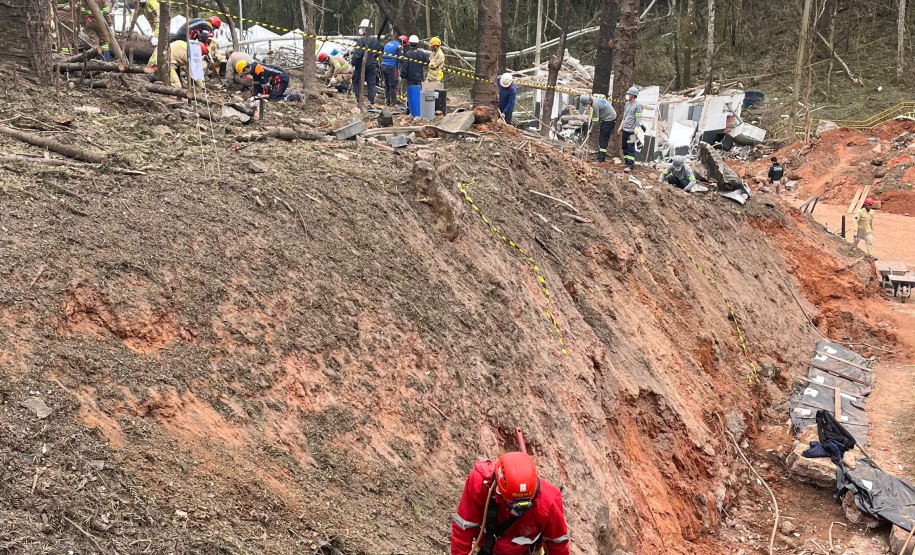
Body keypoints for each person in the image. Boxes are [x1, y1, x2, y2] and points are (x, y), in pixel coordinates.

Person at [451, 452, 570, 555]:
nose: (518, 511)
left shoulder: (549, 501)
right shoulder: (480, 483)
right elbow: (463, 530)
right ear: (498, 490)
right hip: (486, 548)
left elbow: (558, 544)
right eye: (512, 503)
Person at [576, 94, 616, 163]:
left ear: (589, 101)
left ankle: (600, 159)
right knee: (602, 138)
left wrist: (591, 130)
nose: (587, 106)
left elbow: (595, 121)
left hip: (609, 120)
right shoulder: (594, 100)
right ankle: (601, 157)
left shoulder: (595, 105)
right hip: (607, 118)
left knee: (603, 139)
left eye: (587, 104)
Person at [352, 19, 381, 104]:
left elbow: (357, 54)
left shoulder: (362, 40)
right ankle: (371, 101)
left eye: (361, 28)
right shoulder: (376, 40)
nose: (360, 29)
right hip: (372, 65)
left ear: (365, 29)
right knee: (371, 84)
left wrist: (353, 64)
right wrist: (372, 59)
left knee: (355, 81)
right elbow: (378, 52)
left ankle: (358, 99)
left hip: (361, 65)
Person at [621, 86, 643, 173]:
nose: (628, 95)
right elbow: (625, 116)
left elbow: (638, 117)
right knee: (624, 147)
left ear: (633, 96)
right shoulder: (626, 104)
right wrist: (621, 125)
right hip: (625, 129)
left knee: (630, 148)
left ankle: (631, 165)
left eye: (629, 94)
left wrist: (637, 126)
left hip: (632, 131)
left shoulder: (638, 106)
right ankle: (626, 162)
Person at [381, 34, 403, 106]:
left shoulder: (388, 44)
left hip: (384, 65)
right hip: (392, 67)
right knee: (393, 85)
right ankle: (393, 103)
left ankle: (387, 102)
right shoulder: (399, 46)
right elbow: (401, 58)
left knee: (387, 84)